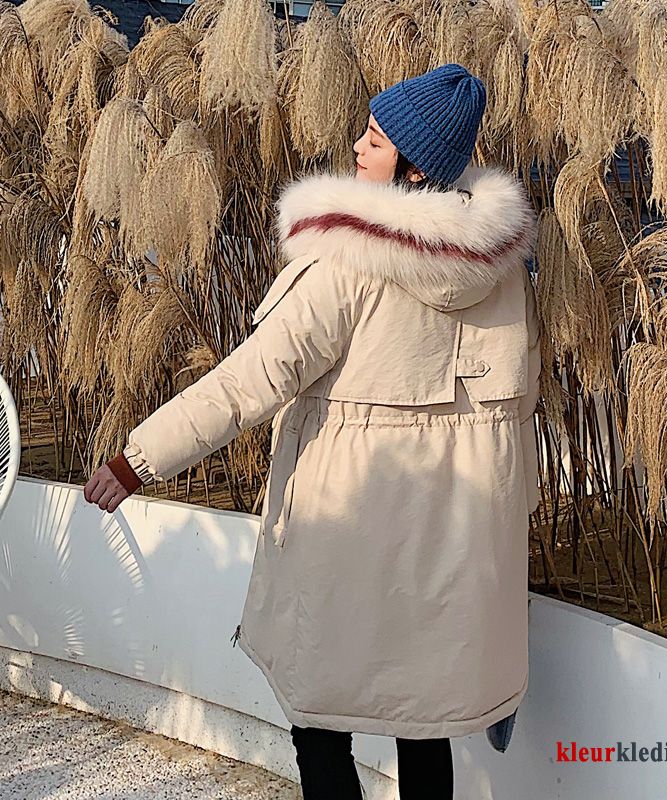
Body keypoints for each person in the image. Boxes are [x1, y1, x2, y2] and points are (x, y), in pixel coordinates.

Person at [84, 63, 542, 799]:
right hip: (452, 549)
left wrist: (139, 459)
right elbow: (520, 417)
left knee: (319, 722)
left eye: (376, 139)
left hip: (347, 536)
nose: (357, 149)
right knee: (421, 725)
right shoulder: (507, 272)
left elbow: (250, 379)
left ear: (416, 168)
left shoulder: (349, 260)